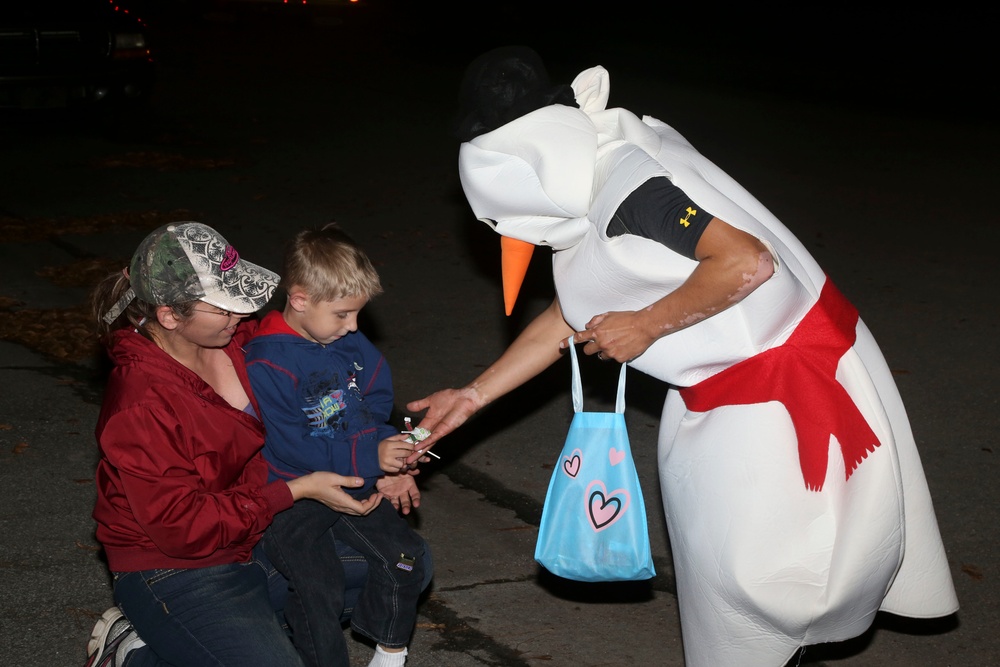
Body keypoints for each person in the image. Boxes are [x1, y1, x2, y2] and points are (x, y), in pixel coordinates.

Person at [405, 46, 959, 666]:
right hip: (719, 403)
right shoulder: (597, 160)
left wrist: (645, 325)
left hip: (771, 399)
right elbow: (573, 309)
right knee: (737, 581)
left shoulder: (635, 191)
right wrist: (475, 394)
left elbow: (746, 262)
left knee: (760, 580)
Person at [84, 221, 381, 667]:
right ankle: (138, 653)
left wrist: (382, 453)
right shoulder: (141, 403)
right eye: (223, 308)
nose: (241, 315)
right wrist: (293, 490)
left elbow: (329, 391)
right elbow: (183, 528)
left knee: (396, 564)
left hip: (254, 530)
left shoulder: (241, 340)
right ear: (169, 316)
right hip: (177, 566)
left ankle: (186, 641)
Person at [244, 223, 429, 667]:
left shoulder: (350, 344)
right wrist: (370, 457)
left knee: (408, 558)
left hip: (354, 479)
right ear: (300, 299)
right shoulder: (267, 360)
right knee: (317, 584)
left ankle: (389, 650)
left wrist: (391, 456)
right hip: (295, 491)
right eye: (343, 314)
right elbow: (290, 446)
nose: (354, 327)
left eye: (358, 314)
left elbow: (376, 401)